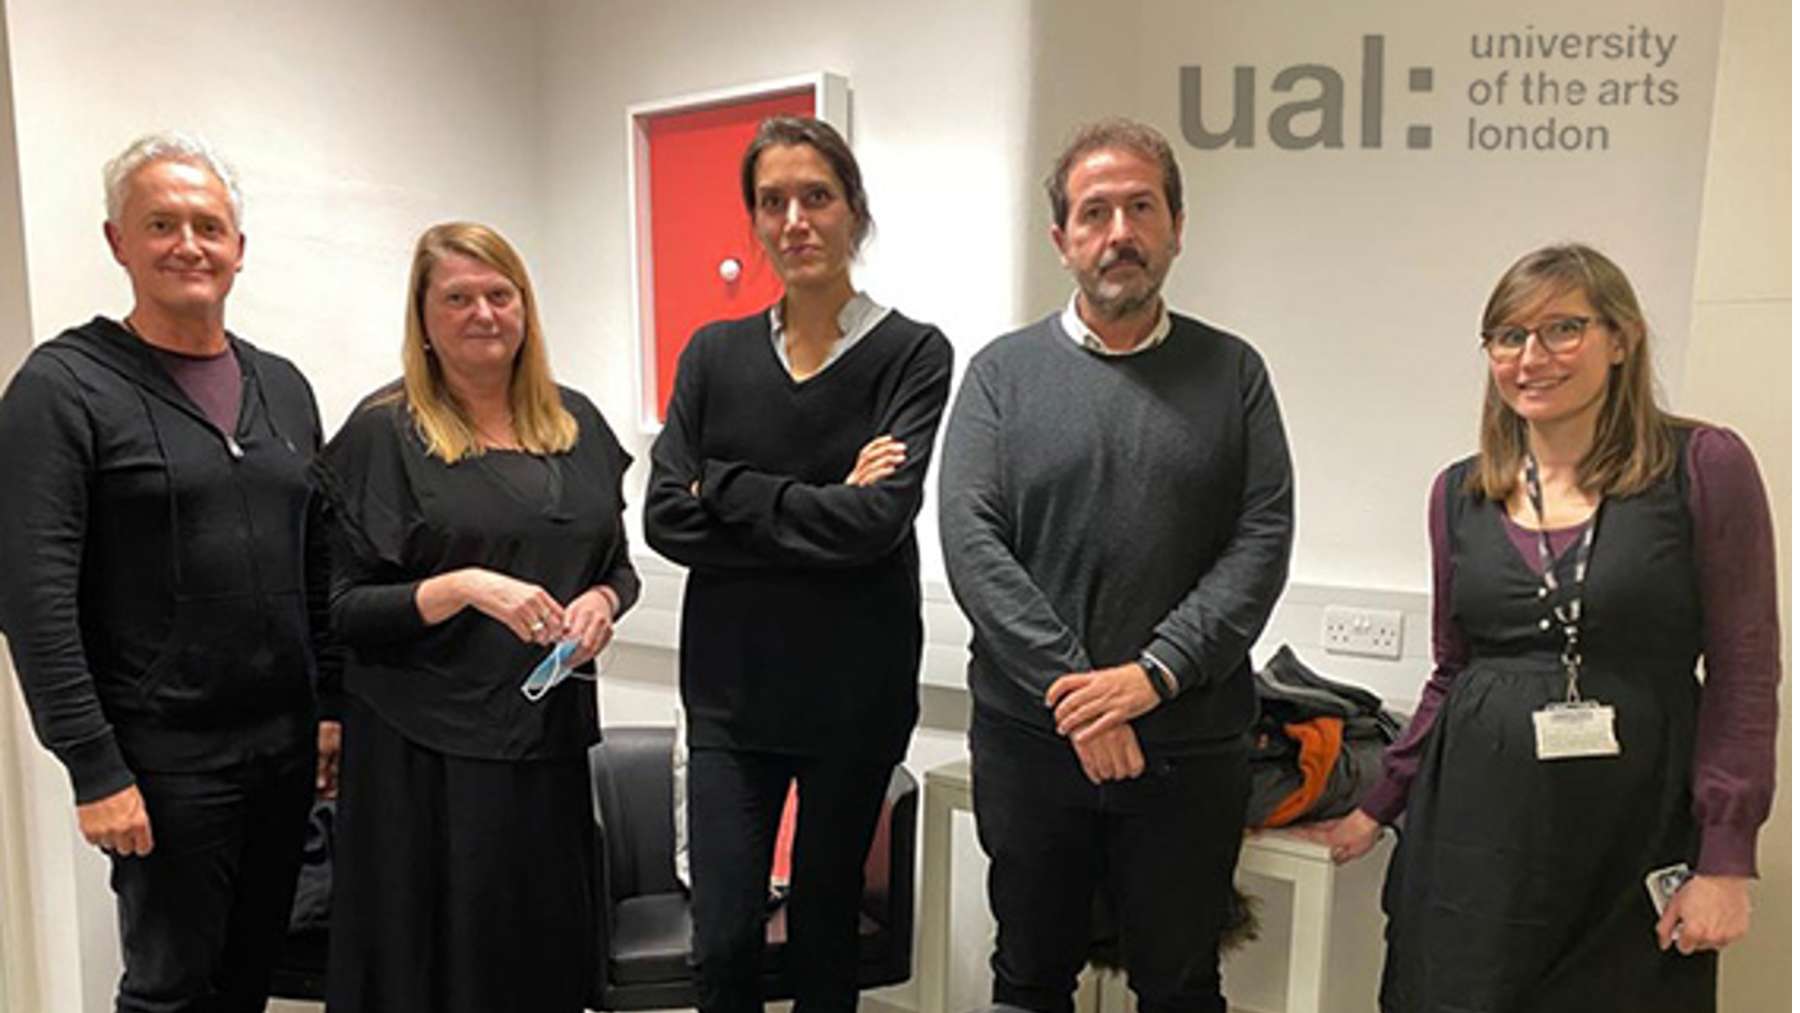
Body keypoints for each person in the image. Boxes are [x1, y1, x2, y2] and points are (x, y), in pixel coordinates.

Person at [1313, 243, 1781, 1011]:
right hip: (1473, 840)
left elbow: (1745, 672)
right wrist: (1375, 804)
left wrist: (1725, 859)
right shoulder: (1459, 492)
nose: (1533, 356)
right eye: (1508, 335)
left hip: (1628, 834)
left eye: (1564, 328)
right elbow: (1451, 670)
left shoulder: (1702, 464)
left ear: (1621, 338)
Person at [939, 118, 1294, 1013]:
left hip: (1189, 743)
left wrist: (1153, 675)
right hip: (1031, 743)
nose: (1119, 233)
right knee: (1029, 978)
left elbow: (1261, 538)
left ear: (1178, 225)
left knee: (1179, 983)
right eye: (1094, 212)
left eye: (1141, 207)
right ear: (1061, 240)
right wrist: (1079, 694)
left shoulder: (1234, 372)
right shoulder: (999, 376)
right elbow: (973, 544)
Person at [0, 131, 339, 1011]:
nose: (188, 245)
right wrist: (94, 767)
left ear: (237, 249)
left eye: (208, 227)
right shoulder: (62, 388)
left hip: (283, 748)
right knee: (170, 988)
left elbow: (320, 559)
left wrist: (330, 709)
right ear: (119, 241)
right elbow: (31, 593)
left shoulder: (285, 386)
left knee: (251, 972)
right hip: (163, 758)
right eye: (162, 224)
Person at [644, 116, 953, 1013]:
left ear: (854, 211)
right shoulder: (712, 353)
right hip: (731, 696)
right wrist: (822, 497)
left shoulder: (913, 353)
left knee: (824, 932)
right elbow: (666, 516)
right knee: (727, 936)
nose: (795, 220)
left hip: (856, 694)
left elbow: (876, 522)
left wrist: (726, 486)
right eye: (772, 201)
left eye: (816, 196)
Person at [317, 222, 639, 1012]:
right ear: (423, 318)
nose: (483, 313)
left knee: (539, 955)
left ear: (525, 309)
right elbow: (343, 608)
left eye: (501, 294)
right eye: (457, 297)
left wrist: (604, 602)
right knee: (437, 967)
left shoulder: (577, 425)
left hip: (546, 735)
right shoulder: (383, 432)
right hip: (423, 751)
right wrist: (463, 586)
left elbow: (616, 567)